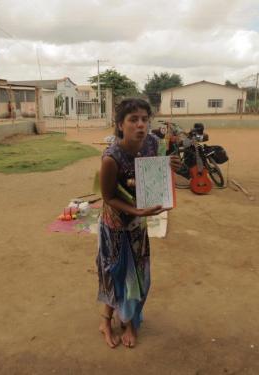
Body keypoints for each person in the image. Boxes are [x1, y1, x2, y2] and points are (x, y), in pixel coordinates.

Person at [96, 98, 181, 348]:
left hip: (137, 224)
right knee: (116, 274)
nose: (141, 125)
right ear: (120, 125)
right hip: (115, 227)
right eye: (133, 120)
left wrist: (171, 165)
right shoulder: (111, 158)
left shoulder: (153, 143)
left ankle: (129, 321)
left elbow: (157, 174)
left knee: (138, 276)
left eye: (145, 119)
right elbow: (108, 197)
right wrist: (136, 211)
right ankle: (109, 321)